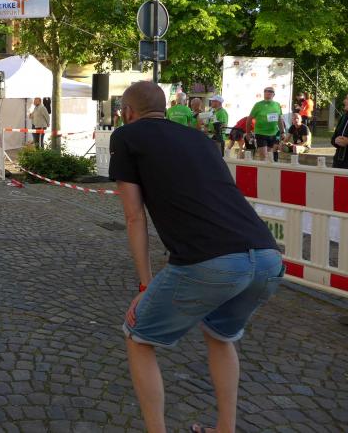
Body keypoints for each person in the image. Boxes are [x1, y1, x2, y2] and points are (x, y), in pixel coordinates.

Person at [109, 81, 283, 433]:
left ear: (127, 112)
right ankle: (225, 429)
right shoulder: (200, 139)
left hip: (211, 259)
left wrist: (145, 284)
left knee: (138, 335)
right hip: (266, 256)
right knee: (221, 336)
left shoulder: (127, 137)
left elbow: (133, 216)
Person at [246, 87, 285, 161]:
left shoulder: (277, 105)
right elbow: (249, 119)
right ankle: (262, 168)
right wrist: (248, 133)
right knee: (264, 156)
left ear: (274, 94)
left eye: (270, 91)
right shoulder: (258, 105)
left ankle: (267, 168)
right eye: (265, 91)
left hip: (272, 134)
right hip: (261, 133)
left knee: (269, 155)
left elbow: (279, 119)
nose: (267, 92)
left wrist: (282, 132)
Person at [332, 93, 348, 169]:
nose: (344, 101)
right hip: (338, 163)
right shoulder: (344, 117)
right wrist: (336, 140)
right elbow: (333, 139)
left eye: (347, 99)